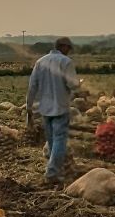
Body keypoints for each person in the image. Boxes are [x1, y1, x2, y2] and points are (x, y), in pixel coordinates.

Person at [26, 37, 79, 184]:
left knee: (51, 141)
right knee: (59, 140)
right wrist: (79, 84)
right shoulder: (66, 62)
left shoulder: (40, 62)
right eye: (68, 49)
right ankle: (52, 173)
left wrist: (28, 106)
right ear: (63, 47)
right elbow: (72, 84)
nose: (68, 52)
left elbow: (32, 86)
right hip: (61, 107)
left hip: (45, 108)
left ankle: (54, 168)